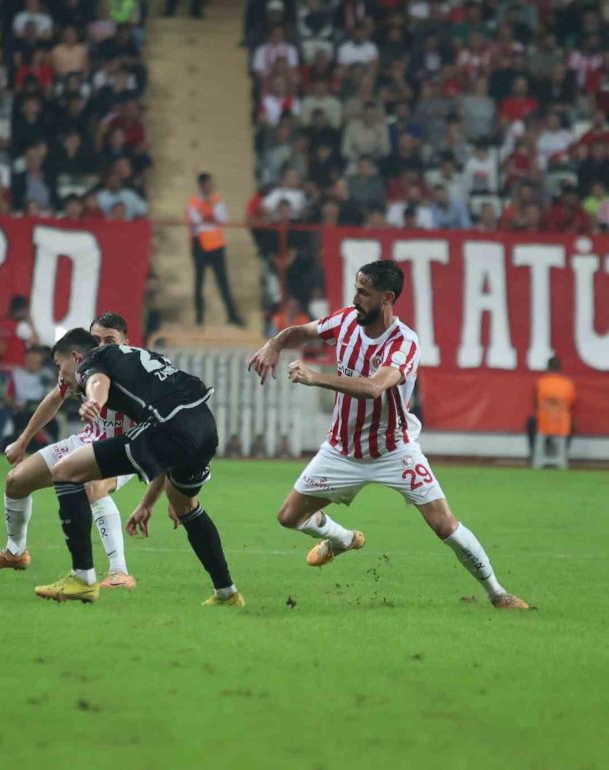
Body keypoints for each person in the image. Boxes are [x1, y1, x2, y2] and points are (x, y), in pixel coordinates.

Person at [247, 260, 528, 610]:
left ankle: (497, 593)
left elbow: (372, 388)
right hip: (342, 450)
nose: (355, 298)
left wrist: (316, 376)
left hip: (394, 451)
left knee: (443, 524)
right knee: (288, 517)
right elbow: (300, 332)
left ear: (386, 297)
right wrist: (274, 344)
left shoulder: (404, 343)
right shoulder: (346, 319)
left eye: (364, 292)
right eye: (356, 289)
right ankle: (342, 539)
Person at [39, 330, 244, 608]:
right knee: (185, 506)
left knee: (65, 471)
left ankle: (82, 578)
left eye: (59, 365)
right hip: (204, 425)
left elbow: (98, 381)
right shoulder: (135, 354)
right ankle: (227, 592)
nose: (60, 374)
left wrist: (94, 402)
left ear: (75, 357)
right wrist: (148, 502)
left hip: (169, 428)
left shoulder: (92, 359)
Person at [0, 313, 139, 589]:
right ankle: (15, 552)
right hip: (88, 439)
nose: (101, 345)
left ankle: (119, 571)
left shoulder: (131, 368)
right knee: (16, 481)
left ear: (126, 342)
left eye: (110, 340)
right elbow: (54, 398)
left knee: (92, 487)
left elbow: (102, 390)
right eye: (96, 339)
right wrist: (23, 441)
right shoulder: (83, 365)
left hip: (125, 446)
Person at [187, 173, 244, 327]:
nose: (210, 187)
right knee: (199, 282)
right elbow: (195, 220)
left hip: (217, 245)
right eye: (207, 184)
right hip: (200, 244)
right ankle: (199, 317)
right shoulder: (194, 202)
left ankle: (232, 315)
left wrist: (208, 215)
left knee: (223, 282)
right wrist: (210, 216)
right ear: (202, 185)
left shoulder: (217, 200)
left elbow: (223, 219)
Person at [526, 355, 575, 462]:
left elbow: (536, 404)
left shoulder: (540, 383)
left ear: (547, 368)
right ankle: (563, 454)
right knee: (572, 423)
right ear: (560, 369)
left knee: (531, 422)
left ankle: (535, 454)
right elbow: (571, 404)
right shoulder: (568, 384)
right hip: (562, 423)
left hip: (543, 424)